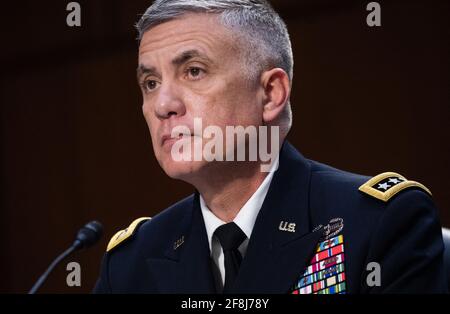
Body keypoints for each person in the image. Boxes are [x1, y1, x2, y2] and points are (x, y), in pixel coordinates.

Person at [93, 0, 448, 294]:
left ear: (271, 93)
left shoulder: (378, 223)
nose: (162, 104)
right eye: (150, 82)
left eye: (194, 71)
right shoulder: (131, 264)